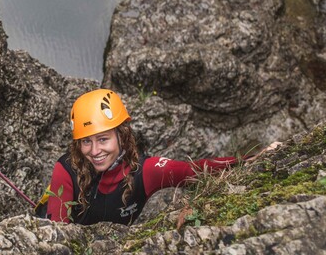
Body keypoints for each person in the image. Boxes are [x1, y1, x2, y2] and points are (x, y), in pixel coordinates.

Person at [41, 89, 280, 225]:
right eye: (86, 141)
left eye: (103, 139)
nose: (94, 151)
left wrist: (250, 160)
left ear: (122, 135)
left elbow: (193, 170)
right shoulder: (67, 169)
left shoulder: (146, 171)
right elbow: (55, 232)